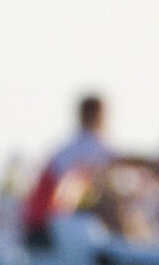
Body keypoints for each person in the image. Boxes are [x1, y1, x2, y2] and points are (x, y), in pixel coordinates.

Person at [18, 95, 145, 249]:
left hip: (41, 224)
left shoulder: (69, 146)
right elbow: (121, 160)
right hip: (43, 227)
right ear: (96, 116)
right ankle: (130, 249)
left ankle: (126, 246)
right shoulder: (87, 143)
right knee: (109, 199)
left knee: (103, 192)